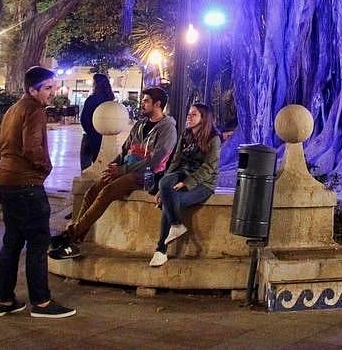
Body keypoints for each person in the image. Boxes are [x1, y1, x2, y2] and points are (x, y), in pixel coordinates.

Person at [49, 87, 178, 261]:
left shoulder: (168, 128)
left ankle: (70, 235)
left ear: (158, 104)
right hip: (128, 170)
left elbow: (156, 160)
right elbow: (125, 149)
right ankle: (75, 241)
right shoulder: (140, 125)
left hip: (149, 175)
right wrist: (114, 165)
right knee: (92, 191)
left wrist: (122, 170)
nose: (142, 103)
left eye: (146, 101)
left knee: (107, 192)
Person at [0, 66, 76, 319]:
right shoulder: (35, 110)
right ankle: (42, 302)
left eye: (54, 87)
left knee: (12, 242)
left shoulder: (13, 110)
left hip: (4, 183)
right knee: (38, 242)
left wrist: (11, 162)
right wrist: (44, 167)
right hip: (26, 186)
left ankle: (4, 300)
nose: (52, 93)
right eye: (47, 88)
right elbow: (32, 148)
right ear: (32, 89)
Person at [149, 102, 221, 267]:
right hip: (183, 174)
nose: (189, 116)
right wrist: (162, 188)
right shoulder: (186, 135)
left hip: (204, 183)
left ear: (204, 118)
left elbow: (209, 168)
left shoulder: (213, 138)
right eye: (189, 113)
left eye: (194, 114)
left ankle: (161, 250)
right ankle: (176, 224)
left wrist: (187, 184)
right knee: (165, 182)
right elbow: (175, 162)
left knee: (172, 202)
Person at [78, 73, 116, 171]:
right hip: (104, 137)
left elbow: (84, 119)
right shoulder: (110, 100)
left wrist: (91, 132)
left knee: (86, 166)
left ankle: (86, 185)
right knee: (101, 166)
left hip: (89, 136)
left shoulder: (91, 99)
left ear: (96, 84)